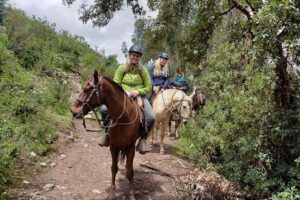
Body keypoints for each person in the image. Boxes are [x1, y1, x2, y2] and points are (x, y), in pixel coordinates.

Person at [99, 44, 155, 154]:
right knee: (104, 109)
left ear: (140, 58)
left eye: (138, 56)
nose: (135, 57)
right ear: (129, 55)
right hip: (122, 96)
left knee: (151, 118)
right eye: (133, 55)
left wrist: (138, 92)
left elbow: (148, 87)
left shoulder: (143, 70)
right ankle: (106, 133)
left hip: (139, 97)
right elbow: (116, 84)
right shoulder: (122, 68)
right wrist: (125, 92)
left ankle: (142, 140)